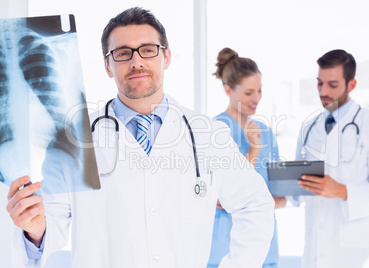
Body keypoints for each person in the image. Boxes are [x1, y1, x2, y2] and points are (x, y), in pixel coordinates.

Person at [6, 7, 276, 268]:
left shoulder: (207, 134)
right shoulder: (73, 141)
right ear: (108, 66)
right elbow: (51, 222)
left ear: (166, 57)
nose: (137, 62)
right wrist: (34, 228)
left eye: (148, 50)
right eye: (122, 53)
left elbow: (255, 204)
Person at [294, 49, 369, 268]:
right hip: (314, 255)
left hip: (358, 257)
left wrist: (342, 191)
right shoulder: (308, 128)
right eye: (319, 83)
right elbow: (299, 191)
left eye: (332, 85)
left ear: (351, 85)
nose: (323, 91)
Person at [207, 48, 286, 268]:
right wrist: (253, 151)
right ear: (228, 90)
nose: (256, 99)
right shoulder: (215, 130)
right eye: (249, 92)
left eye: (259, 91)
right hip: (224, 250)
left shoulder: (266, 132)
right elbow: (222, 195)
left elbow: (279, 198)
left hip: (265, 251)